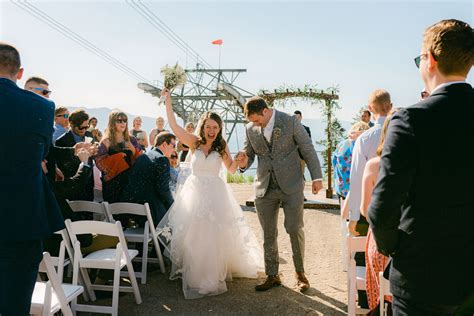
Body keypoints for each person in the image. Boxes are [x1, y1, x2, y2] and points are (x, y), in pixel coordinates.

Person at [368, 19, 474, 315]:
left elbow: (383, 206)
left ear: (430, 59)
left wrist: (397, 248)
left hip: (422, 275)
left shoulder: (411, 120)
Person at [157, 88, 263, 299]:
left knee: (213, 236)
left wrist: (241, 162)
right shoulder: (194, 142)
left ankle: (211, 277)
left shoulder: (221, 146)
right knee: (194, 235)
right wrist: (168, 101)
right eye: (208, 127)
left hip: (216, 195)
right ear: (202, 127)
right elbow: (175, 127)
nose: (212, 131)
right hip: (194, 194)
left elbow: (232, 169)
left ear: (219, 129)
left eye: (215, 128)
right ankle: (196, 276)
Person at [0, 42, 64, 315]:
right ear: (20, 72)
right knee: (16, 304)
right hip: (22, 217)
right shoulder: (42, 107)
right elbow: (44, 153)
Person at [238, 96, 323, 292]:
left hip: (291, 185)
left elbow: (307, 148)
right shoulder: (250, 129)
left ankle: (300, 274)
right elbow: (249, 154)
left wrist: (317, 178)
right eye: (252, 122)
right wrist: (243, 161)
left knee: (294, 228)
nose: (255, 125)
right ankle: (272, 275)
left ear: (266, 112)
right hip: (264, 186)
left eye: (257, 120)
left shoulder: (290, 122)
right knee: (268, 233)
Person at [359, 109, 398, 312]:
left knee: (382, 300)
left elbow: (365, 209)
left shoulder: (374, 166)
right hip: (412, 241)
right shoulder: (422, 163)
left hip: (382, 241)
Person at [347, 90, 392, 237]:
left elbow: (356, 179)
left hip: (369, 210)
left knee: (363, 257)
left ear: (370, 108)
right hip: (398, 210)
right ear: (390, 106)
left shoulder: (364, 139)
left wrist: (353, 216)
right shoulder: (403, 133)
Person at [121, 132, 175, 224]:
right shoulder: (162, 159)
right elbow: (163, 189)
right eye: (173, 145)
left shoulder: (142, 157)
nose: (174, 149)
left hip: (132, 210)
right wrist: (173, 205)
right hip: (151, 213)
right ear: (164, 144)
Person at [95, 111, 142, 203]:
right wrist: (118, 157)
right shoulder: (106, 141)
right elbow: (99, 163)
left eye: (125, 120)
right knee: (113, 212)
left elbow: (142, 160)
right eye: (119, 120)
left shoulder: (132, 139)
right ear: (112, 122)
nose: (123, 123)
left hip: (130, 182)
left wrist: (133, 150)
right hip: (112, 184)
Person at [55, 109, 95, 201]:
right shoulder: (61, 141)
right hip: (73, 185)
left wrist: (94, 152)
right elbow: (63, 166)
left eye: (86, 127)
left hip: (88, 183)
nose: (84, 130)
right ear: (72, 124)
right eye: (81, 128)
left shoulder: (89, 135)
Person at [332, 121, 370, 201]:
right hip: (357, 188)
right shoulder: (362, 145)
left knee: (343, 211)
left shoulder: (341, 144)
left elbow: (334, 161)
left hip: (341, 186)